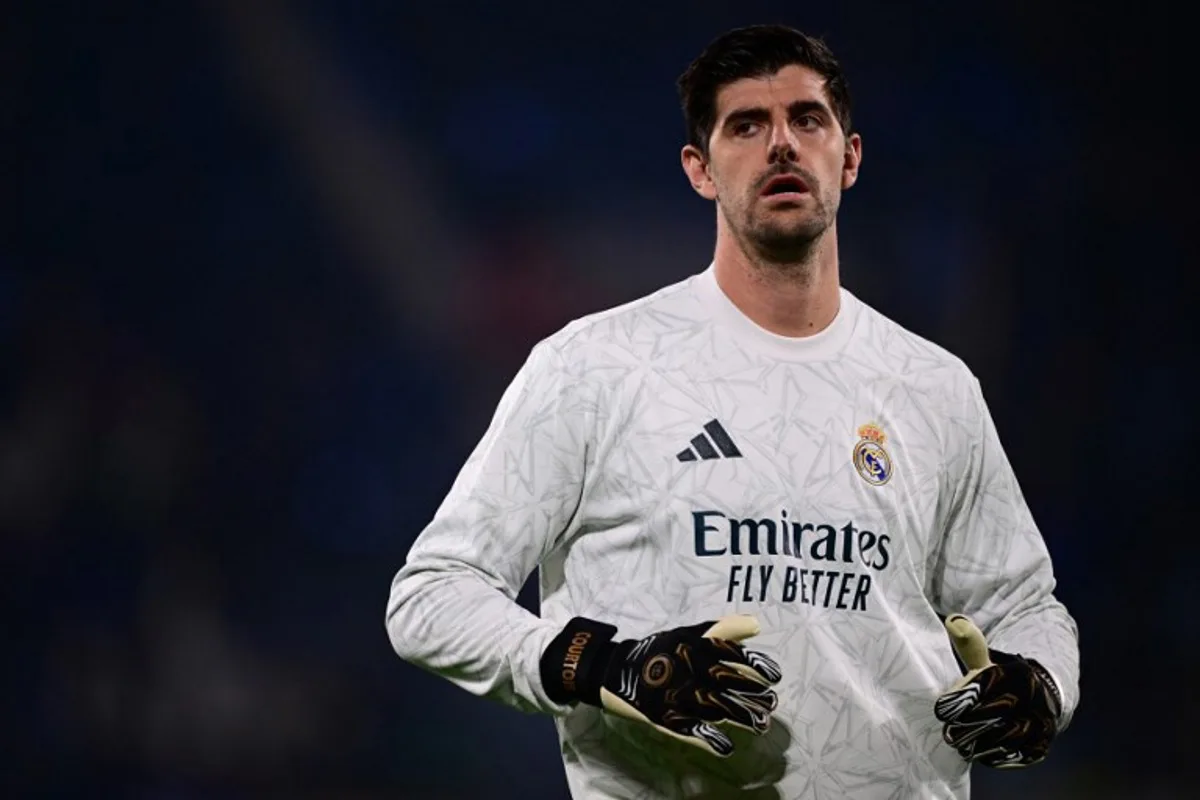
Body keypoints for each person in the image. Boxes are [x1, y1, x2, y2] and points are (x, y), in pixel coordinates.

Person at [385, 23, 1079, 799]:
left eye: (807, 120)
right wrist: (607, 664)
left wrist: (1037, 686)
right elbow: (432, 595)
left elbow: (1024, 605)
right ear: (700, 170)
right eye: (746, 125)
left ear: (849, 158)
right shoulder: (593, 367)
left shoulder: (934, 386)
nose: (781, 145)